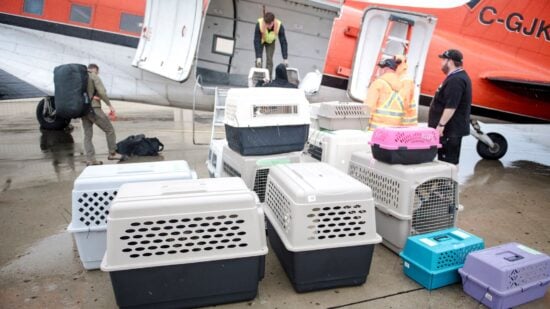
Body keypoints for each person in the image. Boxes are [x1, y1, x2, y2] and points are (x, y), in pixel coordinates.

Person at [428, 49, 472, 165]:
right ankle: (446, 182)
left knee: (448, 164)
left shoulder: (456, 80)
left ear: (450, 62)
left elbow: (451, 106)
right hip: (449, 130)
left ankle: (448, 183)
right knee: (445, 162)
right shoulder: (455, 77)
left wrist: (441, 125)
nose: (441, 63)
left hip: (449, 131)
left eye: (443, 60)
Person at [81, 63, 120, 165]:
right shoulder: (94, 76)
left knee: (87, 135)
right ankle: (112, 153)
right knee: (109, 130)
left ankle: (90, 159)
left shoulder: (80, 77)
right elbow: (102, 92)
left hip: (82, 110)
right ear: (95, 70)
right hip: (94, 109)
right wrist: (109, 105)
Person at [364, 58, 407, 130]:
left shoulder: (378, 83)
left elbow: (369, 107)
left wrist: (364, 125)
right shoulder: (402, 86)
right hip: (393, 131)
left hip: (376, 130)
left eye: (380, 68)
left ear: (385, 69)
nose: (379, 71)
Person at [254, 12, 288, 79]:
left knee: (269, 60)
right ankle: (258, 79)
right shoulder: (259, 23)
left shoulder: (279, 25)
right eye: (266, 24)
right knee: (258, 61)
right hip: (261, 39)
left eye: (269, 24)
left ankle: (267, 79)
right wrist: (258, 56)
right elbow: (256, 40)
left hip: (271, 41)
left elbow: (283, 42)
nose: (267, 26)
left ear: (273, 21)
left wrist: (285, 58)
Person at [394, 54, 417, 126]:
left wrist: (399, 115)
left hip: (405, 120)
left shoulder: (406, 79)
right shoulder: (399, 77)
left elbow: (406, 100)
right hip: (402, 118)